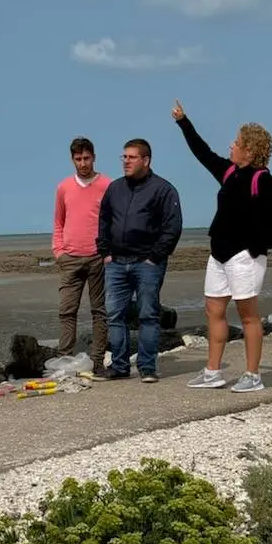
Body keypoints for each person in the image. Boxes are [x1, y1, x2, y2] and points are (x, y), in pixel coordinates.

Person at [171, 100, 272, 393]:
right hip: (219, 254)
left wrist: (256, 247)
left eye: (236, 143)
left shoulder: (263, 180)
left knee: (248, 315)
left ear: (249, 150)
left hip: (244, 257)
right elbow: (203, 153)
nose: (231, 146)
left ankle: (252, 375)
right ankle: (213, 372)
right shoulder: (228, 173)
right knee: (213, 310)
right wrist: (184, 122)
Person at [97, 139, 182, 383]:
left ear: (146, 160)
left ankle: (147, 367)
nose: (125, 161)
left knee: (147, 314)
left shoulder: (163, 190)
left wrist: (155, 257)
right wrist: (105, 252)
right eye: (123, 157)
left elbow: (172, 227)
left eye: (131, 157)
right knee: (115, 315)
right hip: (116, 262)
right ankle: (120, 366)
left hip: (147, 263)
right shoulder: (115, 189)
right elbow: (103, 220)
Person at [52, 138, 112, 375]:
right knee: (67, 310)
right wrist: (58, 251)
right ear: (72, 160)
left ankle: (97, 362)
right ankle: (64, 360)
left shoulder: (107, 185)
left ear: (94, 157)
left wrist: (109, 253)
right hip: (70, 258)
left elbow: (113, 221)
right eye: (78, 159)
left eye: (87, 158)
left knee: (99, 311)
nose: (83, 163)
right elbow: (58, 221)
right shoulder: (64, 187)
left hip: (98, 257)